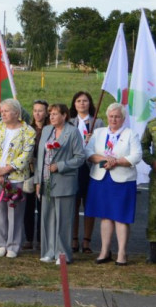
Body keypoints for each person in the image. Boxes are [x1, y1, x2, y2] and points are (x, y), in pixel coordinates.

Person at [85, 103, 142, 266]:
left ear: (123, 118)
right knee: (105, 216)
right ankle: (104, 251)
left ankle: (122, 253)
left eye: (117, 116)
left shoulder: (130, 134)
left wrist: (116, 162)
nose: (114, 119)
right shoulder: (98, 132)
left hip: (122, 180)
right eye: (111, 116)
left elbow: (136, 155)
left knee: (121, 217)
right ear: (107, 117)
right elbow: (88, 153)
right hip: (101, 178)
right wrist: (105, 161)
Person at [0, 99, 36, 259]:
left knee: (15, 212)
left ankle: (13, 245)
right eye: (2, 111)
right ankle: (0, 244)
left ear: (16, 113)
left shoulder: (28, 131)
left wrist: (5, 170)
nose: (3, 113)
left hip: (15, 178)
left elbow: (25, 156)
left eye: (6, 111)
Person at [34, 103, 86, 265]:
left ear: (64, 115)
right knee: (47, 217)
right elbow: (40, 157)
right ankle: (49, 251)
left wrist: (61, 166)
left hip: (64, 181)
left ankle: (63, 254)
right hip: (46, 181)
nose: (52, 117)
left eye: (55, 114)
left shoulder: (73, 132)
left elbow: (80, 157)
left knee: (63, 220)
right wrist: (37, 180)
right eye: (51, 114)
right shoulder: (47, 130)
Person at [69, 90, 104, 254]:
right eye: (78, 101)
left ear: (90, 104)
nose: (82, 103)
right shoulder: (69, 122)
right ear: (74, 104)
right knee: (74, 205)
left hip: (91, 168)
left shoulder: (98, 123)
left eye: (85, 101)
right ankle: (74, 239)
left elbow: (105, 145)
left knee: (89, 204)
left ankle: (87, 241)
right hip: (75, 168)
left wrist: (93, 141)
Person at [24, 100, 50, 250]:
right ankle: (28, 238)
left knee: (43, 207)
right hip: (30, 171)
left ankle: (41, 239)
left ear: (46, 112)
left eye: (40, 110)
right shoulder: (28, 129)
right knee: (28, 207)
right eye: (35, 110)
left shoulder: (50, 130)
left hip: (45, 172)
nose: (37, 113)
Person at [140, 115, 156, 264]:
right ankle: (154, 252)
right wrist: (152, 161)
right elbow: (143, 146)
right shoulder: (152, 124)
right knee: (154, 214)